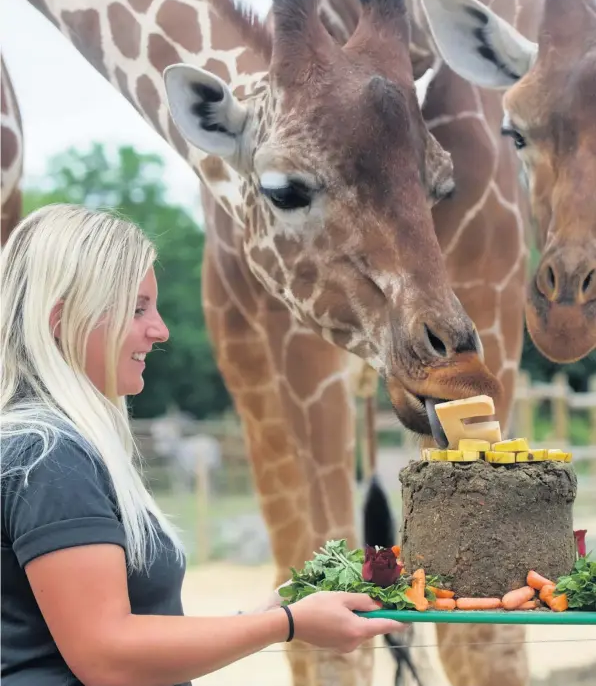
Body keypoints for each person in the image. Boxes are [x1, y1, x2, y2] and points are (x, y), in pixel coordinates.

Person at [1, 203, 402, 686]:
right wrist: (288, 625)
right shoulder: (49, 458)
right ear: (62, 320)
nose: (160, 330)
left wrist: (266, 614)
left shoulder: (51, 448)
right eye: (137, 308)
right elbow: (106, 653)